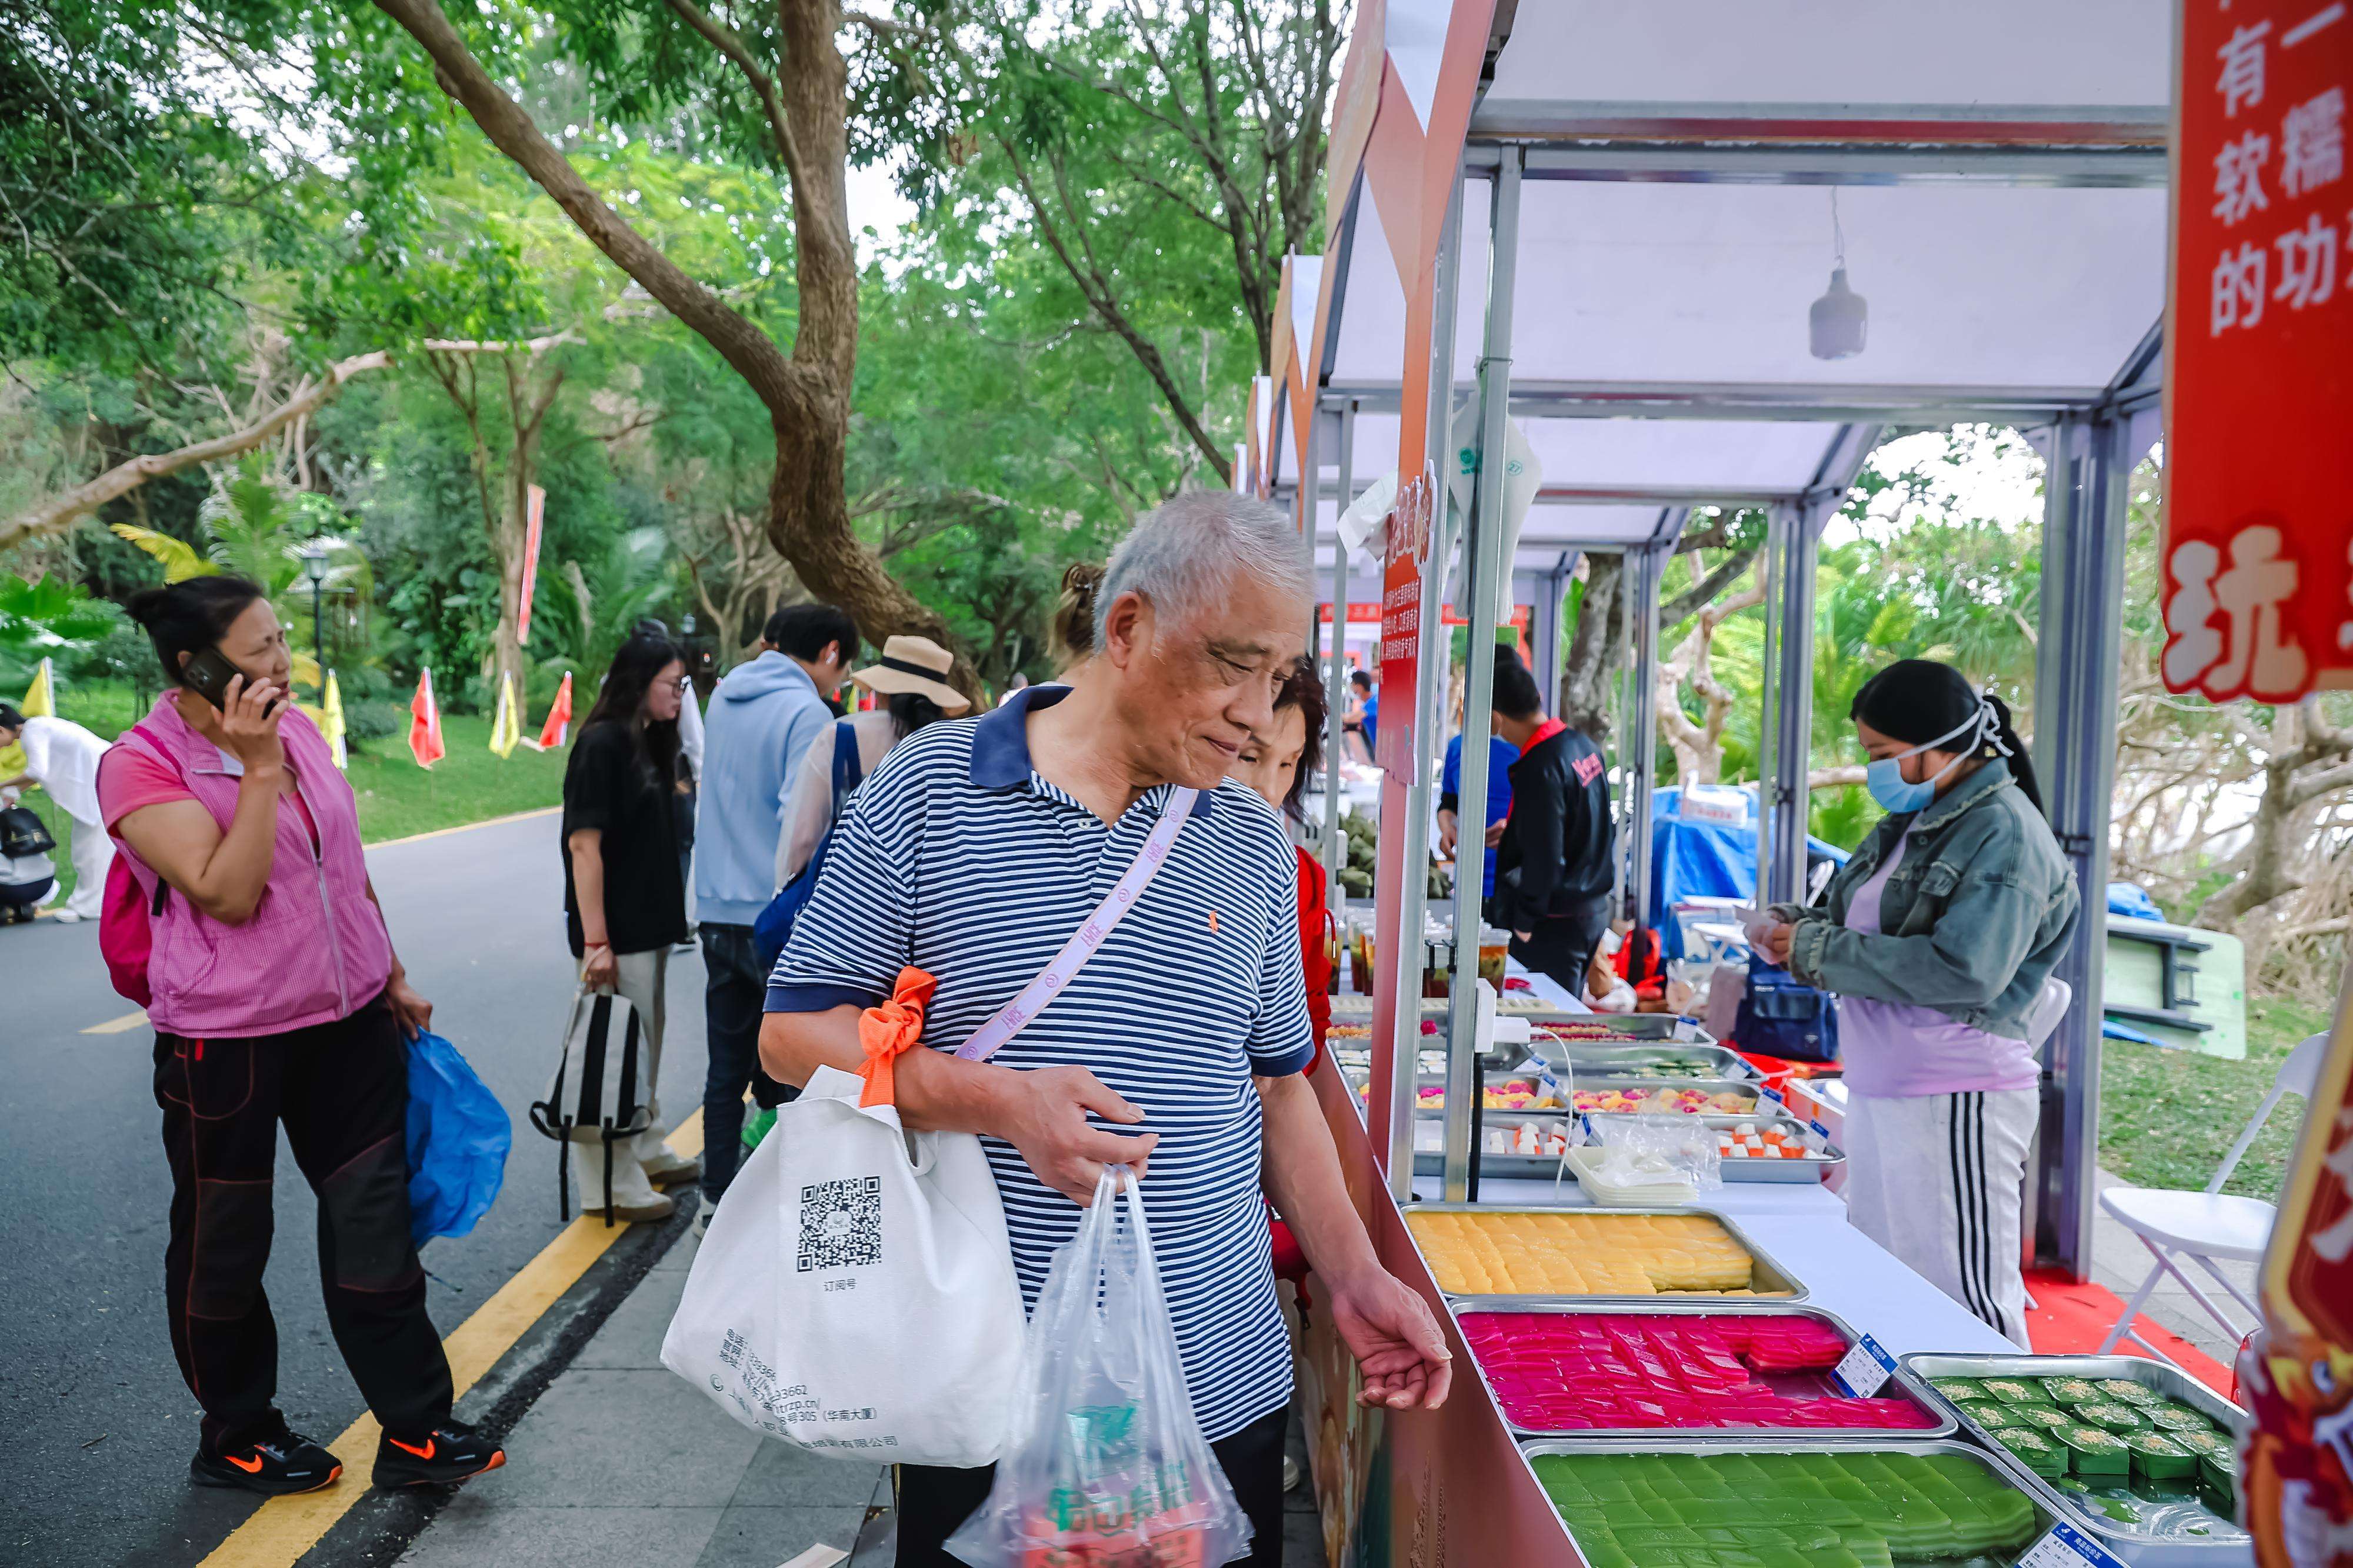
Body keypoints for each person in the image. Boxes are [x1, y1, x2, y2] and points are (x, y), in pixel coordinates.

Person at [760, 493, 1451, 1568]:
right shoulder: (931, 789)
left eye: (1279, 681)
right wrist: (995, 1099)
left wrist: (1355, 1273)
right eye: (1236, 666)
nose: (1260, 718)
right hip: (988, 1387)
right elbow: (795, 1034)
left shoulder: (1256, 846)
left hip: (1216, 1387)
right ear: (1126, 629)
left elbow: (1280, 1090)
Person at [96, 576, 504, 1496]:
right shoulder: (140, 764)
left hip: (349, 1019)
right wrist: (256, 767)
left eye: (282, 640)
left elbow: (343, 869)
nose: (283, 662)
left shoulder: (302, 729)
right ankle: (238, 1432)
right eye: (259, 649)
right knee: (225, 1238)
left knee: (374, 1222)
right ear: (193, 665)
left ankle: (417, 1427)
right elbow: (228, 892)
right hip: (227, 1038)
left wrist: (390, 971)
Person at [1756, 660, 2078, 1346]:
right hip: (1882, 1084)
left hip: (1956, 1090)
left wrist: (1814, 948)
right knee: (1883, 1272)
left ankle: (1997, 1440)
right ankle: (1908, 1429)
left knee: (1965, 1295)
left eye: (1881, 755)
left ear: (1947, 742)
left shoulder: (2005, 833)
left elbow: (1964, 970)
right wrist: (1787, 929)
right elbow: (1850, 920)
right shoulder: (1915, 817)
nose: (1872, 770)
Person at [691, 603, 858, 1215]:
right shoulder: (806, 710)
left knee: (724, 1069)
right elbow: (802, 827)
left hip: (713, 908)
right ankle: (790, 1211)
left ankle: (714, 1203)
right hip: (772, 922)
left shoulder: (725, 695)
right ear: (832, 651)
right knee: (798, 1069)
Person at [561, 629, 703, 1222]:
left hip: (650, 928)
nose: (680, 695)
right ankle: (607, 1183)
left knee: (643, 1044)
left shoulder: (650, 742)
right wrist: (597, 942)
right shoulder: (602, 744)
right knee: (612, 1053)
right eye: (673, 684)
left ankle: (643, 1144)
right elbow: (584, 846)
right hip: (615, 933)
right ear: (638, 683)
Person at [776, 635, 968, 886]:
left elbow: (804, 836)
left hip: (849, 893)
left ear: (882, 691)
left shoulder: (841, 737)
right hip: (934, 897)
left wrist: (787, 885)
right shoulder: (958, 750)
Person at [1487, 657, 1615, 994]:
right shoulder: (1580, 744)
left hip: (1555, 920)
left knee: (1547, 1024)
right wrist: (1518, 830)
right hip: (1589, 910)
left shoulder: (1540, 766)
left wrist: (1525, 922)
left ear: (1497, 718)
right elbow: (1587, 822)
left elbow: (1546, 857)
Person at [0, 700, 113, 919]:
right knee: (93, 848)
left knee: (89, 850)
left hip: (100, 784)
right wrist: (13, 791)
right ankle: (94, 904)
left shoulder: (34, 732)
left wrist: (2, 785)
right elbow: (39, 773)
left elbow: (37, 772)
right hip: (103, 779)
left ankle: (88, 907)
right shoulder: (40, 726)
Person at [1435, 650, 1521, 901]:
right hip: (1469, 882)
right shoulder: (1458, 746)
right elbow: (1449, 802)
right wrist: (1447, 827)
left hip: (1517, 887)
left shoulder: (1527, 750)